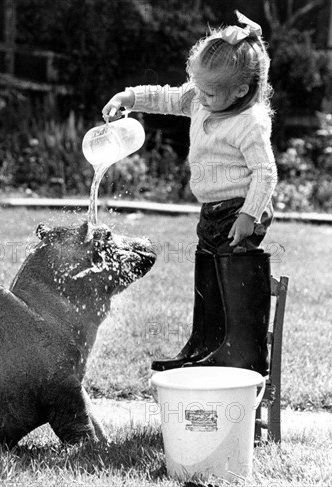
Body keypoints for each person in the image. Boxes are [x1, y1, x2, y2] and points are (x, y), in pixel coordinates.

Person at [102, 11, 278, 376]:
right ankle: (204, 342)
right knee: (208, 272)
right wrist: (128, 97)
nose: (198, 96)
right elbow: (166, 98)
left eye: (209, 92)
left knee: (234, 273)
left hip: (241, 208)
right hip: (212, 210)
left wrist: (250, 215)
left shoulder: (250, 121)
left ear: (241, 91)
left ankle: (241, 353)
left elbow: (265, 172)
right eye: (196, 88)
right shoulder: (201, 98)